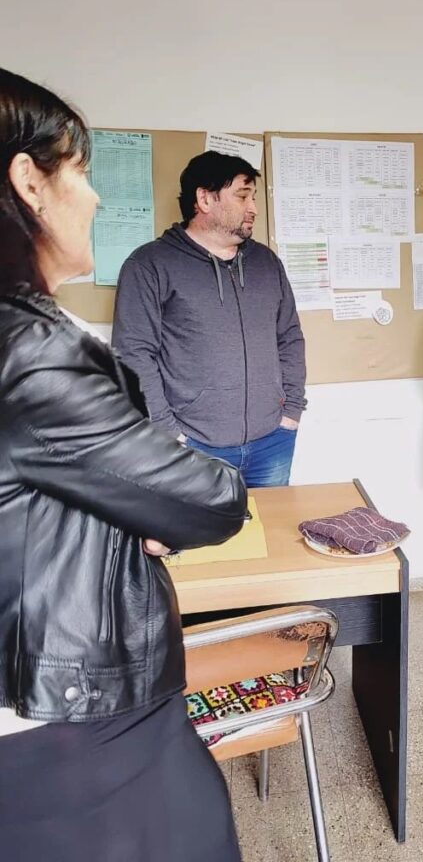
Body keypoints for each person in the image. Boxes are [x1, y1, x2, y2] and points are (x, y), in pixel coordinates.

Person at [0, 68, 248, 860]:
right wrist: (149, 495)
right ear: (27, 182)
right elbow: (210, 500)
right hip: (67, 710)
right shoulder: (31, 347)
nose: (96, 197)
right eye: (79, 170)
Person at [112, 150, 306, 487]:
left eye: (254, 197)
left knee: (267, 536)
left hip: (272, 441)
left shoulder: (266, 263)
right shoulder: (149, 265)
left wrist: (291, 411)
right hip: (192, 448)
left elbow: (289, 337)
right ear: (204, 199)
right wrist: (165, 430)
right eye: (242, 196)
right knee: (194, 540)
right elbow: (133, 355)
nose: (254, 209)